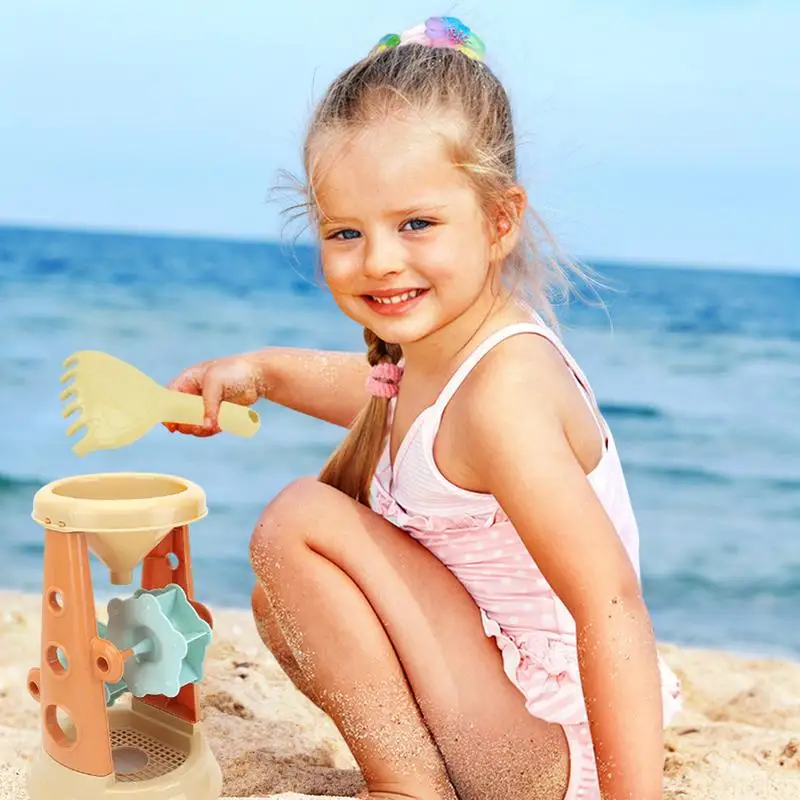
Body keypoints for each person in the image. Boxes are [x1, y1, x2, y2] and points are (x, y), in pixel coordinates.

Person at [165, 16, 682, 800]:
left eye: (417, 224)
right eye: (345, 231)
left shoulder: (507, 392)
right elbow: (382, 399)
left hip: (547, 751)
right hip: (501, 724)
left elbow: (608, 601)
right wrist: (261, 372)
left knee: (302, 518)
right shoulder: (434, 363)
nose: (379, 260)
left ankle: (408, 785)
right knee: (287, 598)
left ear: (499, 220)